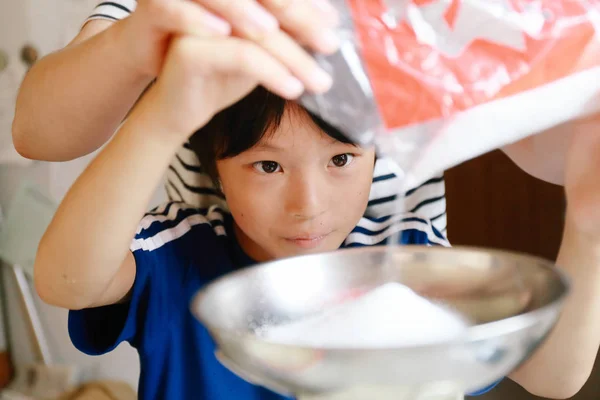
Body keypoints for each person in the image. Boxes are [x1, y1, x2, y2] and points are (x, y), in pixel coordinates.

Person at [33, 15, 600, 399]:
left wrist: (587, 224)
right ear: (215, 170)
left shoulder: (408, 263)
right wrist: (162, 119)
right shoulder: (179, 257)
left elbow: (553, 376)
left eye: (341, 161)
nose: (308, 206)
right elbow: (67, 282)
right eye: (269, 166)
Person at [12, 0, 449, 234]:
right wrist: (132, 44)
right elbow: (37, 133)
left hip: (396, 282)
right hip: (215, 292)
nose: (308, 206)